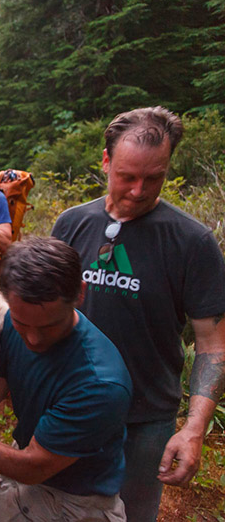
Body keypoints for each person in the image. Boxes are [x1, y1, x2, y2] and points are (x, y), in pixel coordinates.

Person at [51, 106, 225, 522]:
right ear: (106, 161)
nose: (138, 189)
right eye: (127, 176)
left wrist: (194, 428)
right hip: (67, 405)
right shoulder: (71, 224)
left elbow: (213, 343)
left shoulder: (192, 242)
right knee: (50, 508)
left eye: (154, 177)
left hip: (145, 420)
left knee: (130, 515)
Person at [0, 237, 132, 522]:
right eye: (21, 323)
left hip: (73, 501)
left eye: (49, 326)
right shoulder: (7, 320)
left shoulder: (99, 383)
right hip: (28, 476)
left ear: (80, 293)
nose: (32, 339)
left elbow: (32, 466)